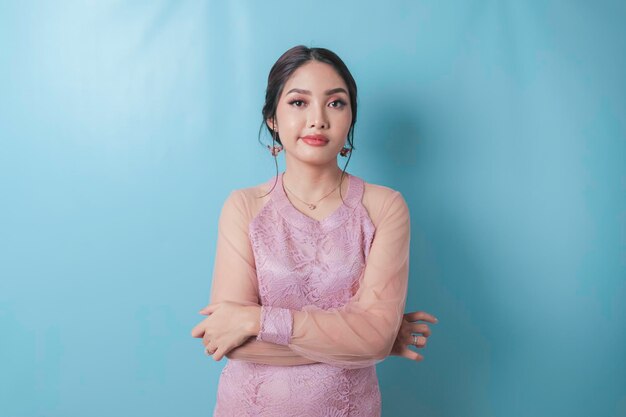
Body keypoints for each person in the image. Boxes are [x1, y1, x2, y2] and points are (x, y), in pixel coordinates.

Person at [191, 45, 438, 417]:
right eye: (298, 102)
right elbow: (231, 343)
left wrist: (255, 320)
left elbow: (373, 336)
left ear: (351, 117)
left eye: (335, 103)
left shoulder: (384, 207)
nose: (318, 119)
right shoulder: (244, 207)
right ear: (272, 118)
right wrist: (363, 341)